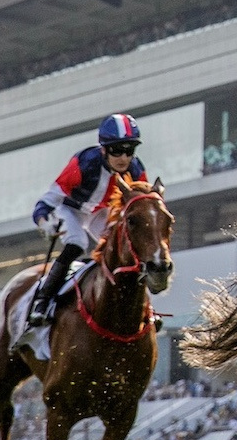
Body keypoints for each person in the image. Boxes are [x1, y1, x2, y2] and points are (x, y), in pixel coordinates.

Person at [22, 114, 150, 341]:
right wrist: (44, 223)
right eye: (116, 150)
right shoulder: (85, 163)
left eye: (129, 150)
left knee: (126, 246)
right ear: (104, 149)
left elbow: (142, 204)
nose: (123, 158)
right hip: (69, 208)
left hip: (98, 211)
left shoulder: (136, 169)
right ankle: (42, 300)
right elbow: (46, 202)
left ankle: (145, 307)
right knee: (77, 243)